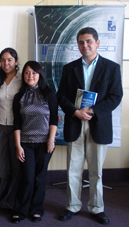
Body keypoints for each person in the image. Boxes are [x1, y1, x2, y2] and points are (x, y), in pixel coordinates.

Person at [57, 27, 123, 225]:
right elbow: (61, 96)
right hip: (75, 122)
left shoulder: (111, 68)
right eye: (80, 42)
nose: (84, 45)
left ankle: (97, 208)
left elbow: (116, 96)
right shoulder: (69, 68)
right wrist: (75, 111)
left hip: (98, 123)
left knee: (96, 171)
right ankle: (72, 206)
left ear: (97, 42)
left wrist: (93, 111)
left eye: (88, 41)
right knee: (73, 169)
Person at [11, 61, 58, 223]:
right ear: (23, 75)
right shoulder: (19, 96)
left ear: (40, 75)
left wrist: (51, 140)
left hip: (45, 143)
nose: (30, 76)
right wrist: (18, 146)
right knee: (27, 177)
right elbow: (16, 123)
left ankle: (37, 209)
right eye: (27, 73)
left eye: (34, 73)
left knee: (40, 177)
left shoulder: (49, 93)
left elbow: (53, 119)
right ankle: (20, 209)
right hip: (25, 143)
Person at [0, 48, 22, 210]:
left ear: (16, 61)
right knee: (1, 167)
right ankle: (3, 199)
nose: (6, 63)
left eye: (9, 59)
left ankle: (13, 202)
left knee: (17, 168)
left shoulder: (24, 80)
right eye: (3, 60)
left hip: (18, 129)